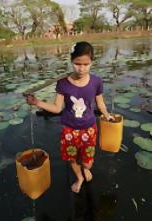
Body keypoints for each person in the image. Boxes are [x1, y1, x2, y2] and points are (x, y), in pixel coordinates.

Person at [26, 41, 114, 193]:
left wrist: (107, 115)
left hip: (89, 128)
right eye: (77, 64)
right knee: (72, 158)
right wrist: (37, 102)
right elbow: (57, 108)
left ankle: (85, 169)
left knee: (88, 163)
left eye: (86, 64)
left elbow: (100, 104)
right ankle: (79, 177)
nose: (81, 68)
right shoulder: (63, 83)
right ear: (71, 61)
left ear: (92, 61)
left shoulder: (96, 82)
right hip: (69, 129)